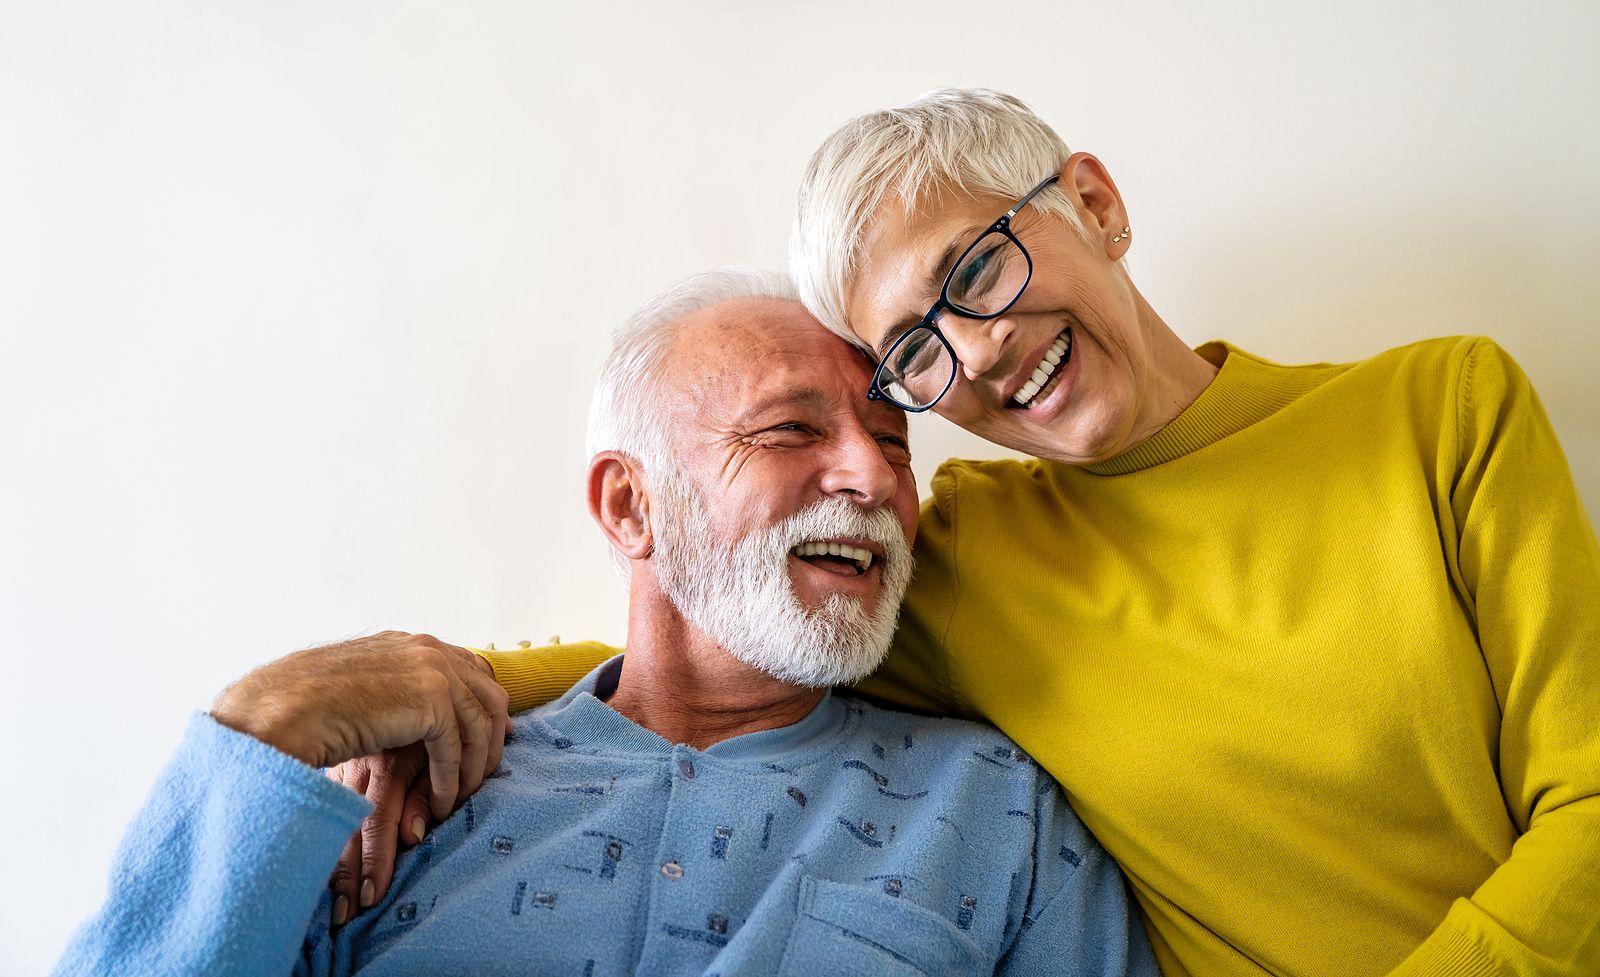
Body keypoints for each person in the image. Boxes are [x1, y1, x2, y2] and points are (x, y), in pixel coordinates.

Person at [342, 90, 1600, 976]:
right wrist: (417, 692)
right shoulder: (956, 557)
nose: (979, 348)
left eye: (979, 267)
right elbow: (711, 633)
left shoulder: (1436, 409)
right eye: (915, 350)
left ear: (1095, 203)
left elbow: (1588, 798)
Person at [53, 269, 1157, 977]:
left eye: (895, 440)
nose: (873, 475)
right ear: (632, 505)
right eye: (788, 431)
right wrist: (267, 724)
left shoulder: (996, 809)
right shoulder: (403, 797)